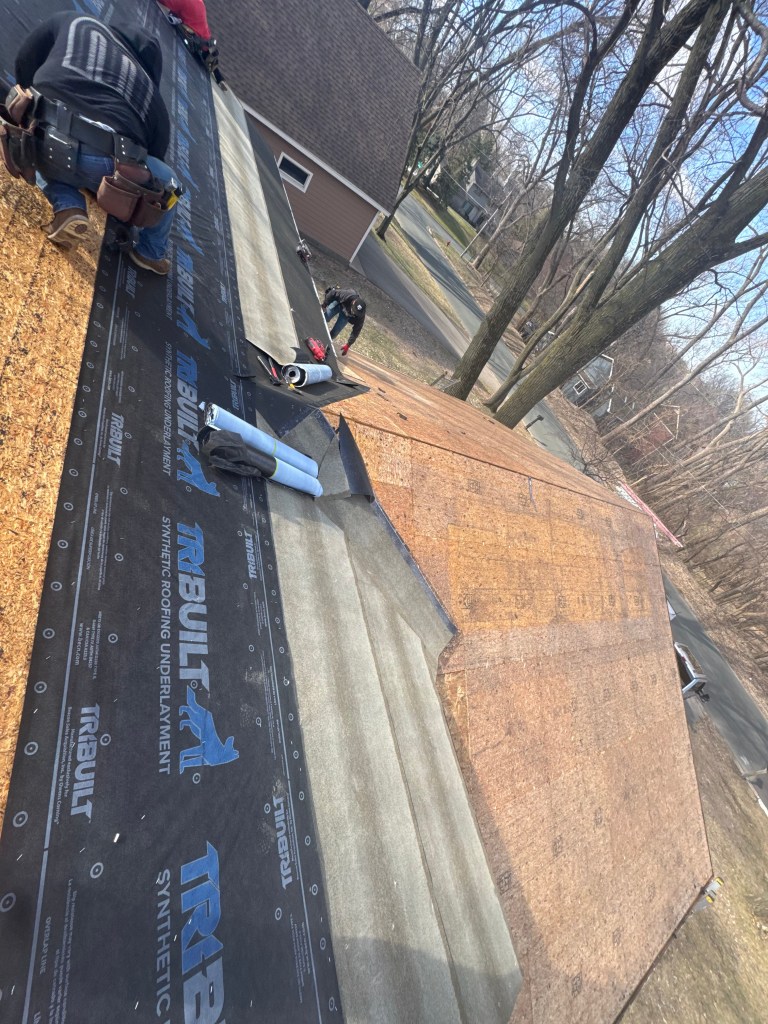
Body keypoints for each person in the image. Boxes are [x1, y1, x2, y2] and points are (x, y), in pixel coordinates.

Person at [11, 11, 180, 274]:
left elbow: (26, 58)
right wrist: (129, 203)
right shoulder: (149, 92)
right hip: (107, 163)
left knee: (40, 145)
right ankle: (150, 253)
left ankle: (68, 204)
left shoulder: (77, 21)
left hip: (44, 138)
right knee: (171, 185)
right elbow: (155, 159)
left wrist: (23, 105)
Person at [321, 286, 366, 355]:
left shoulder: (360, 315)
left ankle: (324, 343)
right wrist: (324, 305)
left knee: (334, 333)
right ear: (353, 302)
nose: (354, 313)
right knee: (325, 317)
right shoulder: (348, 294)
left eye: (355, 313)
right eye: (353, 310)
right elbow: (332, 293)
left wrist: (348, 344)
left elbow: (356, 331)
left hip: (346, 316)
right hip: (339, 304)